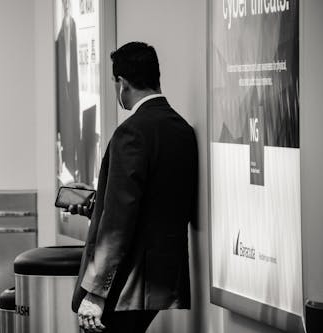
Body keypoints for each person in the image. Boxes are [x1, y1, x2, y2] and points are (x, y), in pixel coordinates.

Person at [69, 42, 198, 333]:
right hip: (162, 282)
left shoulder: (131, 132)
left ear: (122, 83)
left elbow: (117, 222)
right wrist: (95, 203)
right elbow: (157, 204)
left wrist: (96, 292)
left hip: (125, 284)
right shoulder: (182, 130)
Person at [56, 0, 81, 182]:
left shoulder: (71, 25)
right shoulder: (60, 29)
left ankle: (71, 164)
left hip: (70, 94)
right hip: (63, 93)